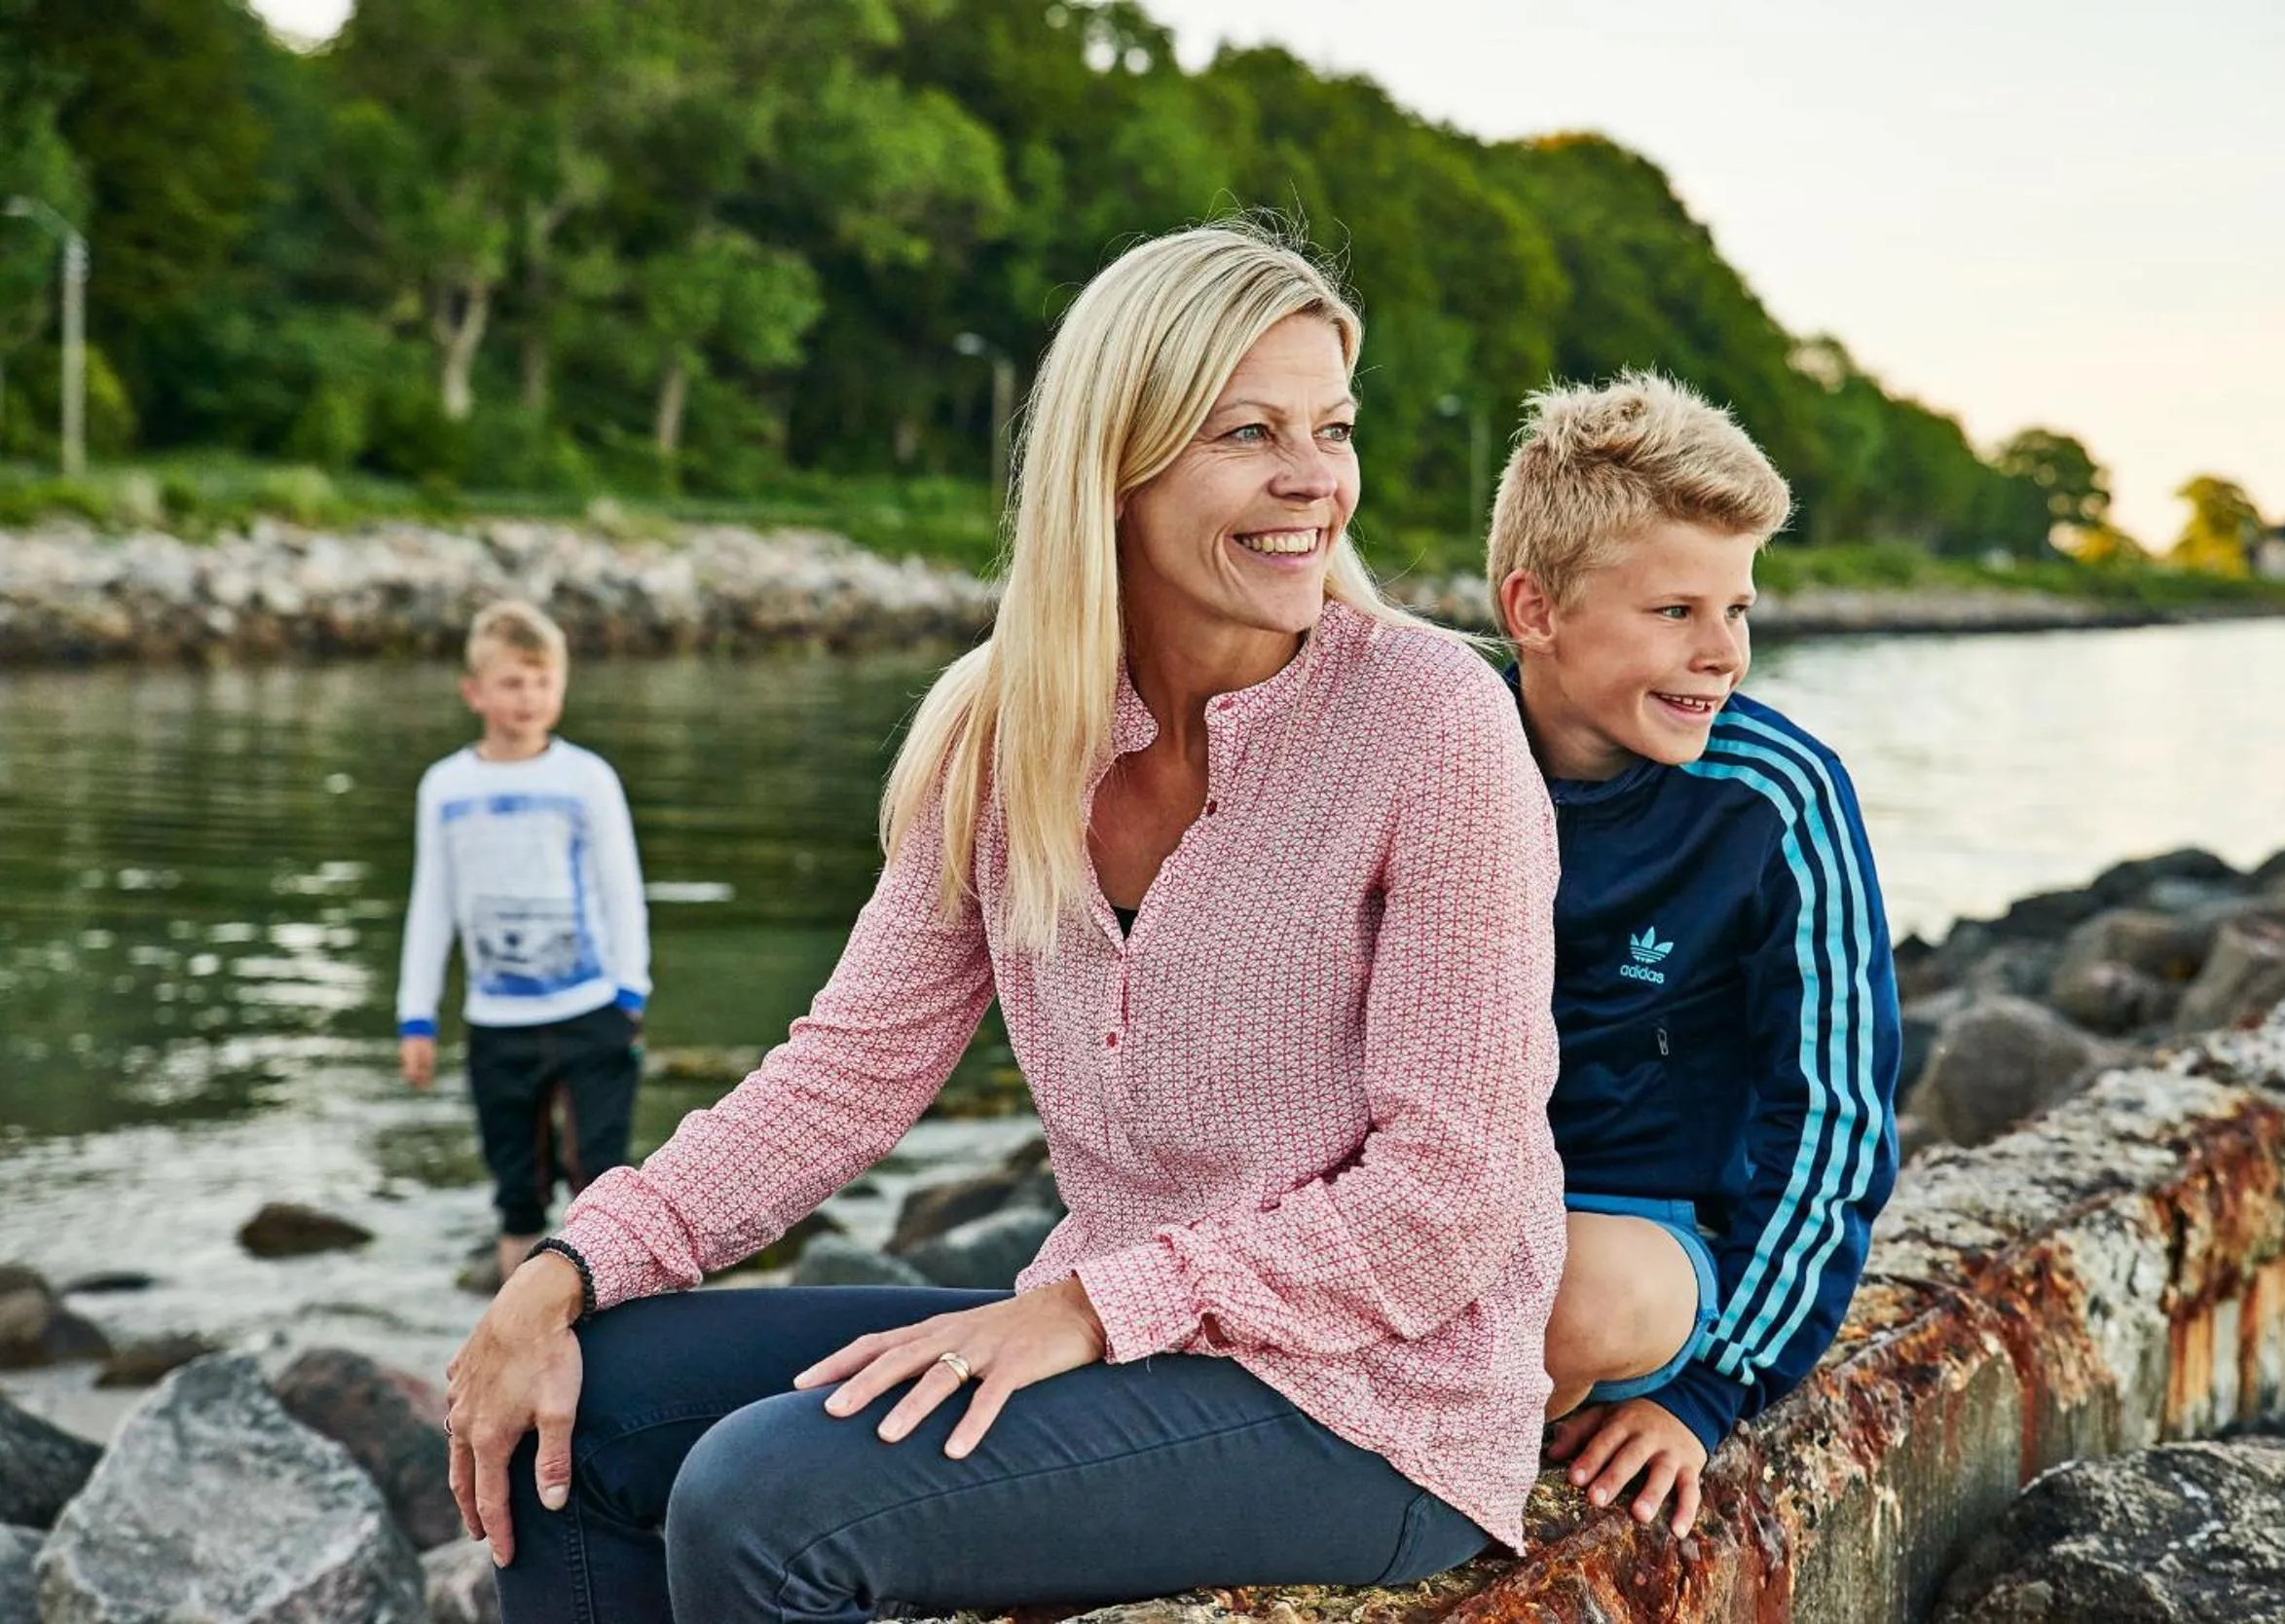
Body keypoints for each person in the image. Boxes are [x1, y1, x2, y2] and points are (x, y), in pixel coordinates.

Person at [441, 224, 1568, 1624]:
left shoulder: (1432, 719)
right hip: (1124, 1337)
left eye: (1332, 429)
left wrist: (1089, 1312)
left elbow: (1448, 1207)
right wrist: (569, 1265)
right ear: (1117, 458)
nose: (1313, 481)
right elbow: (844, 1071)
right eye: (1250, 432)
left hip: (1374, 1399)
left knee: (763, 1505)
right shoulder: (1008, 728)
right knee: (579, 1409)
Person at [1487, 373, 1900, 1537]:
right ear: (1536, 610)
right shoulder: (1440, 749)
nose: (1722, 653)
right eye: (1675, 611)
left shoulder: (1774, 794)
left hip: (1644, 1233)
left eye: (1740, 609)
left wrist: (1712, 1391)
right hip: (1438, 1197)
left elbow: (1834, 1114)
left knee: (1569, 1295)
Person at [397, 599, 652, 1291]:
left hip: (590, 1012)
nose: (530, 698)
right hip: (496, 1026)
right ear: (474, 692)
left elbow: (620, 890)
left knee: (601, 1185)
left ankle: (606, 1330)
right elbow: (432, 904)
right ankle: (515, 1332)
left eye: (544, 682)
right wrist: (415, 1016)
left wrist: (631, 992)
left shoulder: (587, 778)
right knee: (517, 1192)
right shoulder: (446, 786)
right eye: (512, 683)